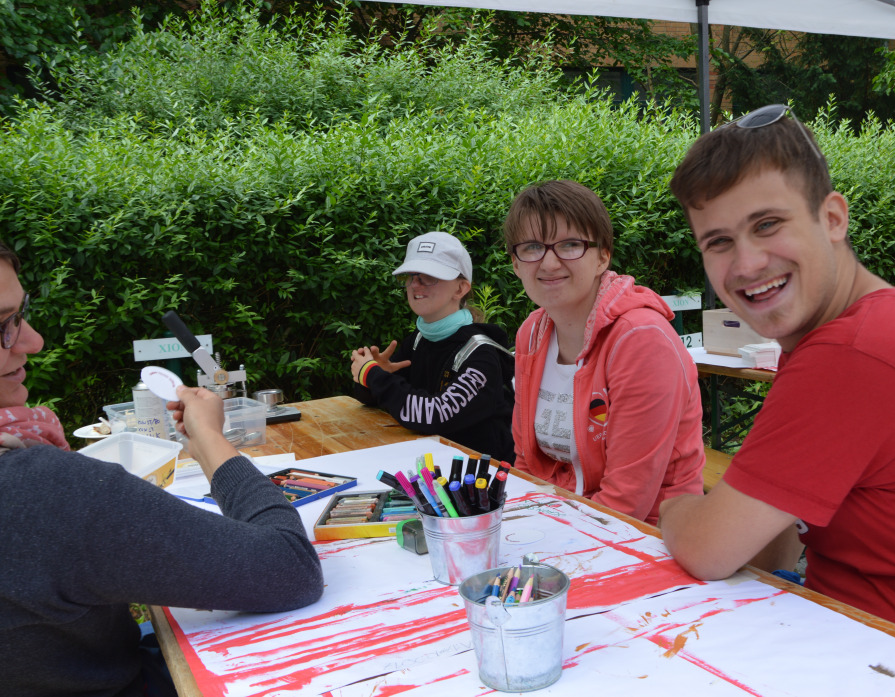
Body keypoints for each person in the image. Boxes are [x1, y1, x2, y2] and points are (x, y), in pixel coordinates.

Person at [660, 104, 895, 664]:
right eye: (718, 242)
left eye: (767, 224)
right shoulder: (863, 327)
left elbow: (706, 549)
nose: (746, 263)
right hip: (879, 637)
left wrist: (674, 508)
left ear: (833, 218)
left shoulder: (854, 354)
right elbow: (777, 536)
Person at [0, 244, 324, 696]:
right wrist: (211, 440)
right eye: (4, 326)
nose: (33, 341)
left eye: (20, 315)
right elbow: (289, 568)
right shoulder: (41, 490)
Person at [503, 180, 704, 525]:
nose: (549, 263)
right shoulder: (531, 334)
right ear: (516, 264)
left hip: (652, 539)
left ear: (602, 257)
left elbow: (628, 501)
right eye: (533, 247)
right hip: (559, 521)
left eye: (569, 245)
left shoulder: (640, 340)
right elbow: (527, 463)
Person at [351, 231, 515, 464]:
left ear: (460, 289)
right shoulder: (419, 339)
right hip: (433, 467)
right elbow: (385, 400)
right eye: (411, 276)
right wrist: (370, 382)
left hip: (483, 481)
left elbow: (433, 414)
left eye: (429, 276)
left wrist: (373, 376)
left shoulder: (481, 354)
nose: (415, 284)